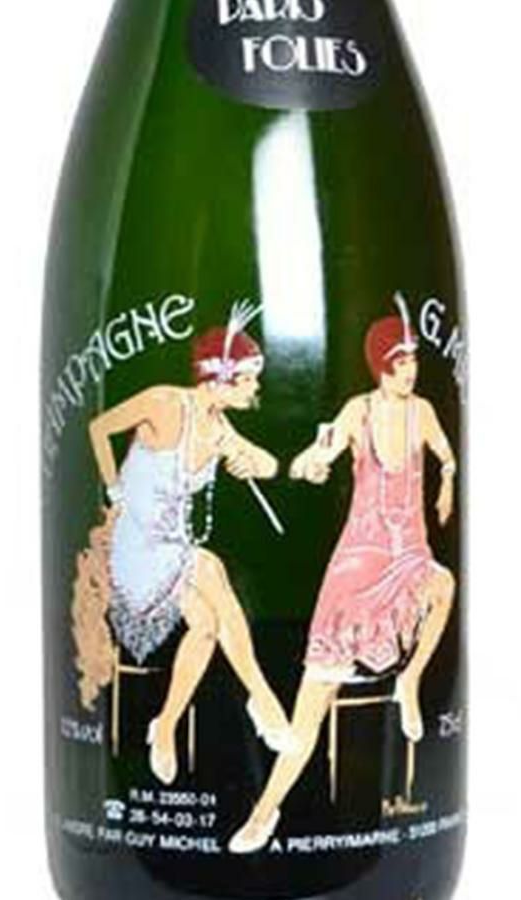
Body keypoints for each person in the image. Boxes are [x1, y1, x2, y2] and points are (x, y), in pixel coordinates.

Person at [229, 295, 458, 854]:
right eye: (400, 362)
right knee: (312, 704)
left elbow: (446, 453)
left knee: (445, 586)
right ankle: (264, 811)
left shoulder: (423, 412)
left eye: (413, 361)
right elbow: (318, 456)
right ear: (382, 366)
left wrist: (448, 481)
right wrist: (311, 463)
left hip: (408, 557)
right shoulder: (359, 411)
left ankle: (408, 681)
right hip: (358, 568)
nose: (410, 370)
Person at [74, 301, 293, 787]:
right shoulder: (165, 403)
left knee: (208, 626)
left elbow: (265, 462)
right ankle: (263, 697)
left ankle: (166, 726)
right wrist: (114, 493)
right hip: (132, 548)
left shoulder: (217, 428)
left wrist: (254, 464)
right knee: (210, 568)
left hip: (173, 552)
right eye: (249, 380)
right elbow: (98, 429)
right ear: (220, 378)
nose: (256, 389)